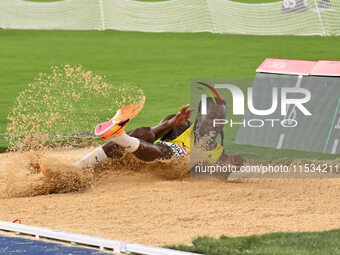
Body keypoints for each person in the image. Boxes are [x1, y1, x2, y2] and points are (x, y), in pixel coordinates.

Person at [67, 98, 243, 169]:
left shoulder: (219, 153)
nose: (216, 122)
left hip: (152, 163)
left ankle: (118, 136)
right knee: (143, 132)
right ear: (199, 116)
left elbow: (222, 172)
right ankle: (75, 168)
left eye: (221, 118)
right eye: (211, 116)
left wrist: (234, 164)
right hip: (135, 155)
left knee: (174, 154)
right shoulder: (182, 126)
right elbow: (150, 134)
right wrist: (171, 123)